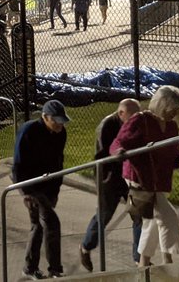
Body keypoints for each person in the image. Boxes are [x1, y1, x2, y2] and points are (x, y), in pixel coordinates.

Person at [111, 85, 179, 267]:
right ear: (161, 105)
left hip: (159, 178)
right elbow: (118, 142)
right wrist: (119, 151)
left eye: (177, 110)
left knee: (152, 221)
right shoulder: (140, 120)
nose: (175, 113)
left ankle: (146, 261)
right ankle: (165, 259)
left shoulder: (171, 126)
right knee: (167, 216)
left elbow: (174, 152)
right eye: (172, 109)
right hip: (140, 177)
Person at [80, 98, 143, 271]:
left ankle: (139, 257)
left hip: (129, 176)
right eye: (132, 117)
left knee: (139, 215)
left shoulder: (137, 123)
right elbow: (102, 156)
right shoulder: (107, 125)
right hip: (109, 177)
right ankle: (86, 246)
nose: (134, 120)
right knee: (104, 215)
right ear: (121, 113)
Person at [13, 99, 70, 279]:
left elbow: (58, 163)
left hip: (48, 185)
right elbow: (18, 164)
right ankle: (55, 269)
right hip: (29, 183)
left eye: (62, 121)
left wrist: (55, 192)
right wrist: (25, 193)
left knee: (38, 225)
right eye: (57, 120)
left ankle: (29, 267)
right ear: (45, 117)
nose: (60, 125)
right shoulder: (29, 131)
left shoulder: (60, 133)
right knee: (52, 223)